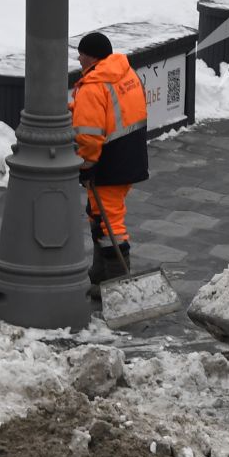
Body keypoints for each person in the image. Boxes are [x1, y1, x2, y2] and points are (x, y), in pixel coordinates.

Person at [72, 31, 150, 293]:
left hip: (108, 162)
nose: (78, 58)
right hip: (130, 155)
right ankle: (101, 274)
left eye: (80, 53)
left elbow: (89, 136)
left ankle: (118, 285)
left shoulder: (93, 87)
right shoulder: (124, 73)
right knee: (99, 213)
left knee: (109, 223)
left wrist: (85, 165)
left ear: (90, 56)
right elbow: (115, 112)